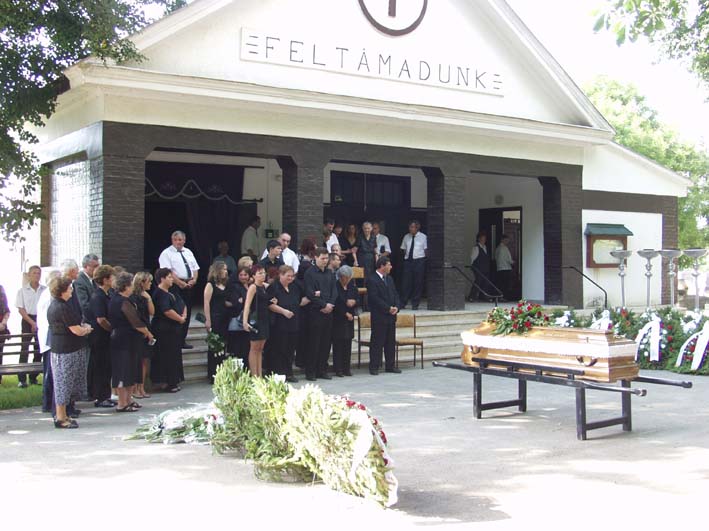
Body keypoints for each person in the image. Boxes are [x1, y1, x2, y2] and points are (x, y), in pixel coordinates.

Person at [46, 276, 93, 429]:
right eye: (69, 288)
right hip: (65, 350)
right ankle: (60, 417)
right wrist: (87, 329)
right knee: (63, 383)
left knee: (68, 383)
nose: (71, 291)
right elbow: (76, 330)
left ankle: (65, 414)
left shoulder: (61, 305)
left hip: (68, 348)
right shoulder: (60, 307)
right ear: (62, 291)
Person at [109, 272, 153, 412]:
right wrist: (147, 333)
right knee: (123, 371)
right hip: (123, 341)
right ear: (126, 286)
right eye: (131, 285)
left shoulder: (124, 299)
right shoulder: (120, 301)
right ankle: (122, 403)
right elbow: (135, 322)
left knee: (130, 371)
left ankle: (128, 399)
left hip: (130, 341)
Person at [158, 230, 199, 349]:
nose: (178, 242)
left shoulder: (188, 252)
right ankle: (175, 339)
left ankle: (182, 339)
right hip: (175, 285)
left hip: (189, 283)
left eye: (180, 240)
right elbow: (168, 272)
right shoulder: (166, 253)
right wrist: (180, 283)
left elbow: (195, 268)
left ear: (184, 240)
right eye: (175, 240)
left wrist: (194, 279)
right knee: (178, 309)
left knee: (188, 310)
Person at [151, 268, 187, 393]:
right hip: (164, 329)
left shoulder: (171, 292)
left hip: (174, 330)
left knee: (174, 355)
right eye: (169, 277)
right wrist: (180, 319)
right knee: (166, 356)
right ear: (162, 279)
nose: (172, 279)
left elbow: (182, 303)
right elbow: (166, 310)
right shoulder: (159, 293)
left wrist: (184, 315)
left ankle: (174, 380)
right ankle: (167, 382)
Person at [304, 247, 337, 381]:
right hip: (315, 312)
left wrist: (330, 304)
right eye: (322, 258)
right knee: (314, 343)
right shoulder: (309, 273)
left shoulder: (330, 273)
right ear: (316, 258)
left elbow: (334, 291)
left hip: (328, 311)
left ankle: (322, 370)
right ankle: (311, 371)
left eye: (326, 258)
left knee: (326, 342)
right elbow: (310, 293)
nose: (325, 261)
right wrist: (323, 305)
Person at [267, 265, 304, 382]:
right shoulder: (274, 287)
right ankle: (278, 373)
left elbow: (301, 299)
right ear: (281, 275)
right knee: (279, 349)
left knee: (290, 349)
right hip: (279, 323)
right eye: (288, 276)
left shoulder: (294, 287)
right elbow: (269, 304)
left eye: (292, 276)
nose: (291, 278)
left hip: (293, 322)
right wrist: (283, 311)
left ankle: (289, 373)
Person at [86, 265, 115, 408]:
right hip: (100, 337)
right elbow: (101, 319)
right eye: (112, 277)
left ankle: (106, 395)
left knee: (107, 366)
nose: (114, 279)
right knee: (100, 366)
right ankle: (99, 396)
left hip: (106, 338)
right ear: (105, 279)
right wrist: (112, 330)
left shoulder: (108, 294)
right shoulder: (98, 296)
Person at [367, 256, 401, 375]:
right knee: (377, 342)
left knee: (390, 342)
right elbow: (374, 298)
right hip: (379, 316)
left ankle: (390, 365)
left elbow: (395, 294)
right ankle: (374, 366)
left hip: (391, 316)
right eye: (389, 264)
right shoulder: (372, 279)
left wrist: (397, 307)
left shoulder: (389, 279)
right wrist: (387, 308)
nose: (391, 267)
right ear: (382, 266)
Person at [16, 265, 46, 387]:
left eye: (38, 273)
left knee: (39, 349)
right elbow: (21, 309)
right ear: (29, 275)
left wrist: (39, 322)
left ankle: (33, 377)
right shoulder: (22, 291)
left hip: (41, 319)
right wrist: (32, 323)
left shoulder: (44, 290)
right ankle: (22, 379)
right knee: (25, 348)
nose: (37, 275)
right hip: (27, 319)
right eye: (34, 273)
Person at [203, 262, 232, 383]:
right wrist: (208, 319)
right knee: (215, 345)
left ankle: (222, 372)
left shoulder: (225, 284)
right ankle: (213, 373)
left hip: (225, 317)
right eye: (224, 269)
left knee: (223, 345)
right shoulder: (210, 285)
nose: (226, 271)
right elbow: (206, 302)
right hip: (215, 317)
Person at [36, 270, 60, 413]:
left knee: (51, 372)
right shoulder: (48, 296)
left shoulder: (48, 294)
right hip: (50, 339)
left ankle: (50, 403)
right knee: (50, 373)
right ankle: (48, 403)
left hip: (50, 337)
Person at [242, 264, 271, 377]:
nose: (263, 275)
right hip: (255, 320)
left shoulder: (264, 287)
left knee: (260, 348)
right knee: (254, 348)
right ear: (253, 276)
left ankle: (259, 374)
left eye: (264, 273)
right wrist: (245, 321)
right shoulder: (253, 287)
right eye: (259, 273)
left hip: (264, 319)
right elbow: (247, 305)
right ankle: (254, 375)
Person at [130, 271, 155, 398]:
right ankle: (135, 388)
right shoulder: (133, 297)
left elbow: (152, 312)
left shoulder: (146, 296)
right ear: (141, 282)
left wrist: (148, 298)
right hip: (138, 331)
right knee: (137, 361)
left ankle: (142, 387)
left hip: (146, 327)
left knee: (145, 360)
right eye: (149, 281)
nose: (150, 284)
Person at [332, 265, 359, 377]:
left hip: (349, 318)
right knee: (338, 345)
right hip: (339, 318)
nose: (347, 280)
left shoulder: (352, 286)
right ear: (341, 277)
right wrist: (345, 313)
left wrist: (354, 302)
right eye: (345, 277)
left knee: (347, 344)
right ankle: (338, 369)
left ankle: (346, 368)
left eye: (349, 278)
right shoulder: (335, 286)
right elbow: (336, 302)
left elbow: (357, 297)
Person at [295, 238, 316, 369]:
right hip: (302, 311)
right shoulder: (299, 282)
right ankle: (301, 360)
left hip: (310, 309)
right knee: (302, 336)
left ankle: (304, 359)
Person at [399, 220, 428, 310]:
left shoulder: (423, 237)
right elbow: (404, 249)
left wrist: (423, 260)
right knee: (406, 282)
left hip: (419, 261)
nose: (411, 229)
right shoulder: (406, 237)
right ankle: (403, 302)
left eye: (412, 227)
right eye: (410, 227)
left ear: (417, 228)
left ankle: (415, 304)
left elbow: (426, 250)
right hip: (408, 261)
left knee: (418, 282)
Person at [228, 265, 251, 366]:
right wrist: (242, 301)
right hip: (238, 321)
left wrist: (243, 300)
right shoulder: (235, 286)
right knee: (239, 348)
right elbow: (236, 303)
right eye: (241, 275)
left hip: (251, 320)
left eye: (245, 275)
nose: (243, 277)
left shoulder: (252, 286)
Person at [74, 253, 100, 319]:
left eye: (98, 266)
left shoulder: (94, 279)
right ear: (86, 266)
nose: (97, 269)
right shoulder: (79, 281)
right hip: (87, 319)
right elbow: (84, 305)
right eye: (95, 266)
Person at [470, 231, 493, 302]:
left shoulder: (485, 247)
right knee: (478, 281)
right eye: (482, 238)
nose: (484, 240)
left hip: (485, 268)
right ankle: (472, 297)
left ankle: (484, 297)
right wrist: (473, 267)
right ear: (479, 239)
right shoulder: (476, 248)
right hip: (478, 268)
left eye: (485, 239)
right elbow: (472, 258)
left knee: (486, 282)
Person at [495, 234, 514, 301]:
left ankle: (500, 297)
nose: (507, 242)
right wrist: (513, 262)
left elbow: (495, 258)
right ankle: (504, 297)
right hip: (506, 268)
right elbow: (509, 259)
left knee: (500, 283)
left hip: (499, 268)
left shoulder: (497, 248)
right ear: (502, 240)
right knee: (505, 284)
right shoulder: (505, 248)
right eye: (506, 240)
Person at [0, 285, 10, 385]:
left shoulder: (1, 291)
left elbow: (7, 311)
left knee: (0, 353)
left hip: (1, 329)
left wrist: (3, 323)